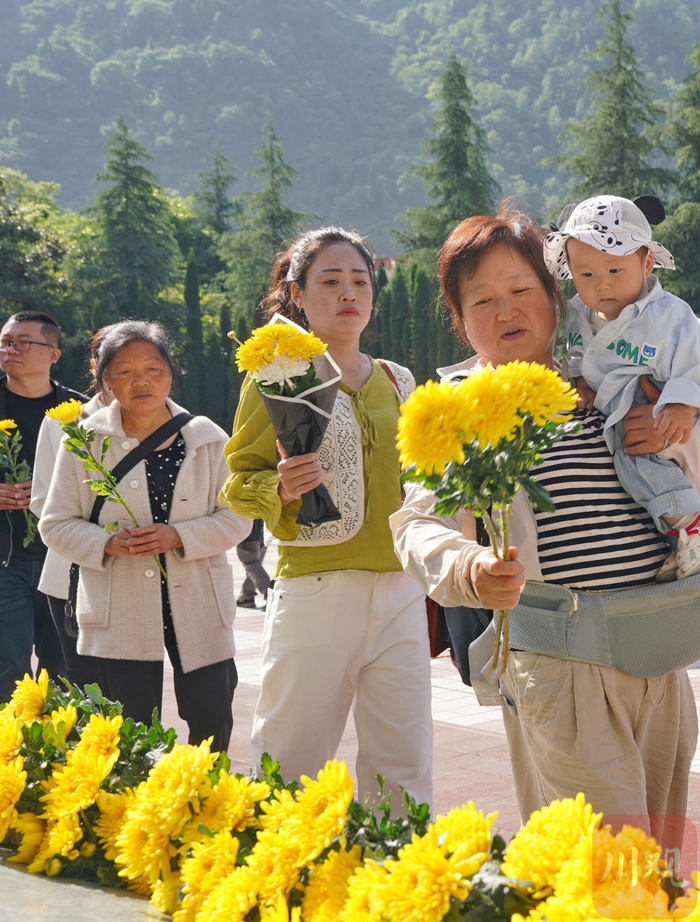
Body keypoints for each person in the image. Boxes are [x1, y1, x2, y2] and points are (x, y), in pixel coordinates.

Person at [390, 205, 698, 844]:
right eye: (482, 300)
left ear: (557, 296)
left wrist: (677, 434)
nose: (505, 311)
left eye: (521, 290)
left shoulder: (617, 378)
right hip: (563, 662)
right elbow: (416, 525)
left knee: (662, 861)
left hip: (660, 657)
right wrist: (470, 568)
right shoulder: (461, 412)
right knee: (604, 864)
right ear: (460, 319)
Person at [220, 226, 433, 808]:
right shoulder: (279, 376)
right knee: (290, 758)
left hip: (401, 590)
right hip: (316, 586)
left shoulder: (398, 380)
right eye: (331, 281)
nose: (348, 294)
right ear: (297, 293)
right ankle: (280, 859)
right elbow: (238, 482)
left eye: (360, 281)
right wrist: (280, 486)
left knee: (404, 761)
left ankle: (399, 863)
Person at [40, 320, 250, 750]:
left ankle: (207, 789)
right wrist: (106, 543)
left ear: (170, 373)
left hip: (198, 603)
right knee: (131, 729)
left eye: (153, 369)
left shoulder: (207, 438)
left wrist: (179, 536)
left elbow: (236, 518)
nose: (141, 382)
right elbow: (55, 523)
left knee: (213, 717)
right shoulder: (83, 440)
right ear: (105, 380)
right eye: (124, 371)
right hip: (120, 607)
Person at [544, 194, 700, 580]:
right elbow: (576, 353)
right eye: (586, 275)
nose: (602, 285)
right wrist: (580, 382)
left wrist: (682, 406)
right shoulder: (579, 315)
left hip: (655, 399)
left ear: (646, 264)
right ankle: (676, 535)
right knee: (631, 474)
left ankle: (689, 524)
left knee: (638, 464)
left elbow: (695, 359)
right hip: (613, 408)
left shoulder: (669, 315)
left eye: (615, 270)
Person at [0, 310, 86, 702]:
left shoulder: (80, 412)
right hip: (6, 562)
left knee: (63, 672)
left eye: (23, 342)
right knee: (9, 670)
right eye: (6, 341)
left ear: (53, 354)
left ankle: (58, 741)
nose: (10, 349)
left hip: (64, 561)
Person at [30, 327, 113, 688]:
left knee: (132, 686)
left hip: (143, 576)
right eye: (115, 363)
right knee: (82, 683)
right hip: (72, 574)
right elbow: (42, 500)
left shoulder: (170, 423)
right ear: (95, 366)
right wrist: (103, 538)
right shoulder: (62, 422)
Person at [235, 519, 271, 609]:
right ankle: (246, 597)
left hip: (249, 534)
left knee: (252, 565)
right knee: (254, 567)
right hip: (264, 531)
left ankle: (270, 594)